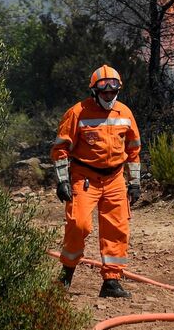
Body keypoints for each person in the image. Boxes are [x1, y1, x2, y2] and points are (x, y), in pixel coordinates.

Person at [50, 64, 142, 298]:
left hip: (115, 179)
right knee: (79, 225)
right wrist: (63, 180)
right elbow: (61, 149)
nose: (108, 95)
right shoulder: (77, 113)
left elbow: (133, 150)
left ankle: (111, 281)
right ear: (95, 91)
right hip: (85, 178)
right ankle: (66, 274)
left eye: (113, 91)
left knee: (117, 229)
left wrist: (135, 182)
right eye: (104, 91)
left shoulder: (125, 113)